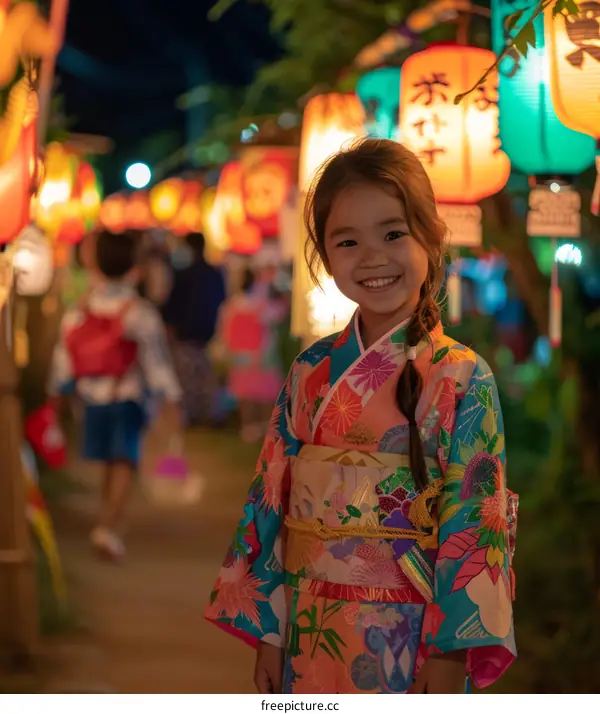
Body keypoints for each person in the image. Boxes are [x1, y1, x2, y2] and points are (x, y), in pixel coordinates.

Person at [205, 139, 518, 694]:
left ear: (432, 235)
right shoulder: (311, 371)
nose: (372, 257)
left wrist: (450, 655)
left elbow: (475, 522)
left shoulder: (464, 378)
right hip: (310, 624)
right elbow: (270, 502)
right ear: (324, 257)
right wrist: (272, 632)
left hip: (414, 636)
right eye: (347, 241)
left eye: (393, 234)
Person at [47, 229, 182, 561]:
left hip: (90, 398)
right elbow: (155, 360)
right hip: (127, 397)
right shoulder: (138, 311)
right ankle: (108, 526)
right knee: (124, 461)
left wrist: (57, 395)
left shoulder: (80, 308)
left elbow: (64, 357)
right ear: (134, 266)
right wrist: (170, 398)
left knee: (110, 461)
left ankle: (108, 521)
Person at [162, 232, 226, 426]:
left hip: (187, 334)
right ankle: (210, 415)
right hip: (209, 332)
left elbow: (173, 304)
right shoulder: (214, 273)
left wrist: (171, 326)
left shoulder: (184, 274)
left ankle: (191, 416)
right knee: (206, 378)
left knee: (189, 378)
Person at [219, 265, 285, 443]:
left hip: (240, 356)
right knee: (265, 394)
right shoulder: (263, 305)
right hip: (263, 356)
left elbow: (224, 331)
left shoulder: (231, 305)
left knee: (245, 395)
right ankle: (266, 428)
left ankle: (247, 428)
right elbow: (278, 314)